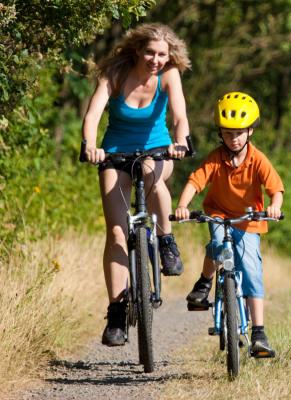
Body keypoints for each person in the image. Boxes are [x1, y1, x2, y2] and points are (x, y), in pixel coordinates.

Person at [81, 23, 192, 346]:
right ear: (136, 50)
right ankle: (116, 311)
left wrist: (181, 142)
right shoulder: (115, 74)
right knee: (116, 232)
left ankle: (166, 240)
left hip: (158, 151)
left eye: (162, 54)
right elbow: (92, 116)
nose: (156, 60)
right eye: (149, 53)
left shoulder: (169, 75)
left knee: (149, 170)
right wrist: (90, 146)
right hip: (116, 153)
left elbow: (180, 117)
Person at [174, 91, 284, 358]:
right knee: (216, 246)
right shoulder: (215, 157)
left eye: (239, 132)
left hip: (249, 220)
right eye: (227, 133)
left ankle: (258, 332)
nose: (233, 138)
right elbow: (195, 182)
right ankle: (204, 282)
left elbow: (276, 189)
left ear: (250, 131)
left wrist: (275, 207)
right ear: (220, 133)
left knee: (252, 270)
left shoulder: (257, 159)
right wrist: (182, 206)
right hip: (218, 214)